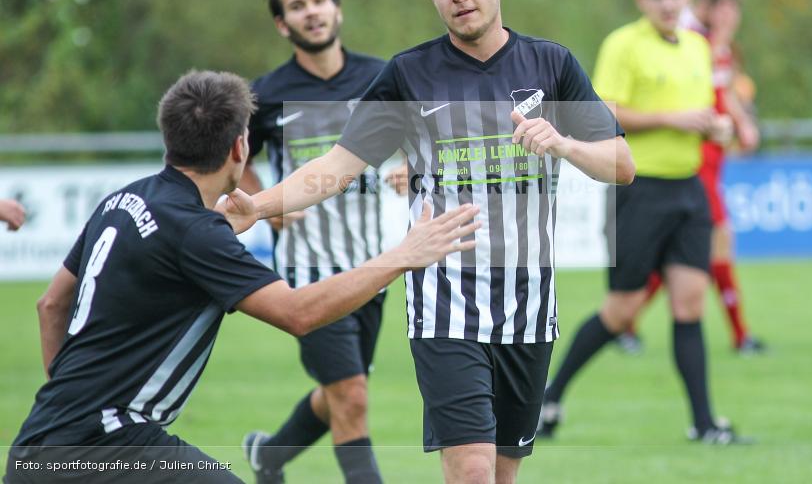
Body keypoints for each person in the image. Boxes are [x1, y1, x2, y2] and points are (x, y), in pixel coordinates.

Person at [222, 0, 633, 484]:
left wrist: (562, 142)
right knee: (470, 470)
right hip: (446, 306)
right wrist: (259, 206)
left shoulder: (552, 64)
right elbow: (336, 168)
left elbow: (622, 164)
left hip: (531, 308)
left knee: (504, 473)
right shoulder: (409, 74)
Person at [3, 70, 480, 484]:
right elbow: (299, 312)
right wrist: (402, 256)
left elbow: (51, 305)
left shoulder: (124, 199)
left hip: (42, 440)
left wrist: (70, 402)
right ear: (239, 146)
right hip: (110, 444)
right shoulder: (197, 232)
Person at [539, 0, 749, 444]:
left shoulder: (698, 47)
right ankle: (550, 397)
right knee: (622, 310)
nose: (667, 3)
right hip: (638, 190)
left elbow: (707, 114)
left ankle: (703, 424)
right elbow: (603, 112)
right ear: (641, 1)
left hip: (689, 189)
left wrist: (717, 127)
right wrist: (675, 120)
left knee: (689, 304)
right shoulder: (624, 44)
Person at [236, 0, 389, 484]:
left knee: (342, 391)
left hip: (374, 264)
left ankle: (271, 455)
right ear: (283, 24)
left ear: (337, 8)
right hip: (307, 267)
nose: (312, 11)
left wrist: (413, 166)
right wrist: (266, 202)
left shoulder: (381, 77)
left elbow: (426, 137)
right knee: (352, 395)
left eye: (319, 0)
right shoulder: (266, 93)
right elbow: (235, 162)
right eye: (297, 5)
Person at [620, 0, 764, 355]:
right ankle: (740, 335)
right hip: (691, 162)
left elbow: (723, 94)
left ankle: (624, 324)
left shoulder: (716, 48)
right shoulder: (690, 41)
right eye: (726, 9)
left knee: (687, 259)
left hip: (712, 158)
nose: (732, 18)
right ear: (708, 7)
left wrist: (740, 124)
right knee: (714, 246)